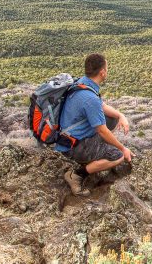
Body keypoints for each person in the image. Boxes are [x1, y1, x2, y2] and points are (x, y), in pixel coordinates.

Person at [56, 53, 135, 196]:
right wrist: (123, 149)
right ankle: (76, 175)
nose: (107, 71)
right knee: (117, 156)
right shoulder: (89, 98)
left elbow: (101, 106)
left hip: (69, 136)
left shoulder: (82, 83)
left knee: (112, 118)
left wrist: (120, 115)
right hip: (73, 146)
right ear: (102, 72)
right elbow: (102, 131)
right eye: (107, 68)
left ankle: (95, 152)